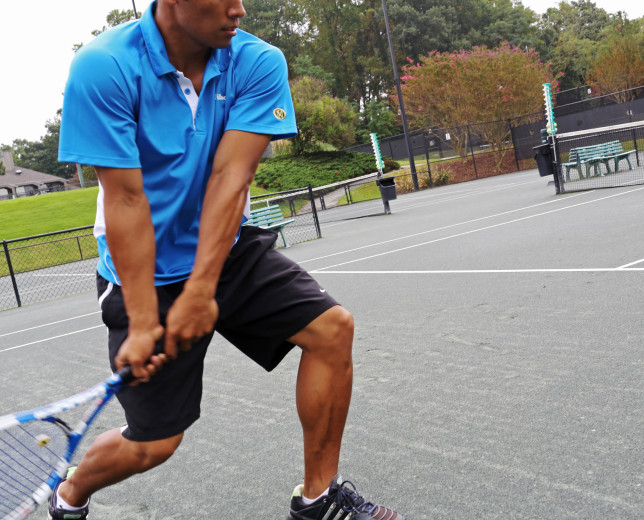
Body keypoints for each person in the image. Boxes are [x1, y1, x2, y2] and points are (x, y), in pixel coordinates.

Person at [55, 1, 403, 519]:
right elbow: (125, 200)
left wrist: (201, 290)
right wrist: (147, 318)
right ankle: (70, 493)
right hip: (140, 273)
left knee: (332, 330)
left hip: (227, 250)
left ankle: (318, 499)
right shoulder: (103, 65)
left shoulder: (257, 61)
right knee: (155, 444)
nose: (238, 8)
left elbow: (230, 179)